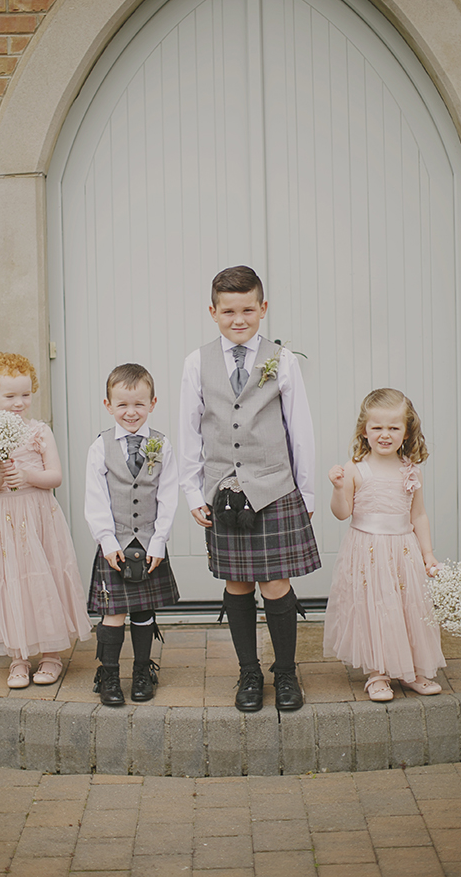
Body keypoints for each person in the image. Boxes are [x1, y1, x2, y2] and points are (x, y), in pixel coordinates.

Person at [179, 266, 321, 712]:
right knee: (238, 584)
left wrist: (307, 492)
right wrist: (192, 492)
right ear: (213, 312)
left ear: (263, 309)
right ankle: (249, 673)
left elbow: (300, 428)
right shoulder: (196, 362)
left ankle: (284, 673)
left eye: (247, 310)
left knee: (276, 584)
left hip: (275, 489)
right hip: (223, 492)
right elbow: (188, 432)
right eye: (228, 311)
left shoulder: (283, 360)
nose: (238, 319)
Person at [0, 353, 92, 688]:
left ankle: (51, 655)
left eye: (25, 394)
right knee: (12, 583)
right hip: (3, 524)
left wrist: (26, 474)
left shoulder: (39, 432)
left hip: (38, 518)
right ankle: (19, 657)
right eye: (9, 396)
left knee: (44, 579)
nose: (18, 402)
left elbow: (55, 476)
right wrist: (0, 474)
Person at [323, 388, 446, 701]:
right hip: (368, 552)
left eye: (393, 428)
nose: (385, 435)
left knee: (409, 609)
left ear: (406, 432)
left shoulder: (411, 470)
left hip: (404, 551)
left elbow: (417, 514)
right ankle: (378, 673)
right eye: (377, 427)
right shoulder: (355, 468)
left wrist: (427, 553)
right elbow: (342, 513)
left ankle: (413, 669)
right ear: (365, 431)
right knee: (375, 609)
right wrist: (339, 489)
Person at [85, 363, 179, 705]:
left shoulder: (162, 445)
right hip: (116, 545)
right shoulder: (100, 447)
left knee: (143, 610)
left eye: (139, 404)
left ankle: (142, 670)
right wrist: (107, 540)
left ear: (153, 403)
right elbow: (95, 499)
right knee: (114, 613)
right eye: (122, 404)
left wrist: (159, 542)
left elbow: (168, 496)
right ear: (108, 405)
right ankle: (109, 673)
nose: (131, 412)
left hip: (149, 544)